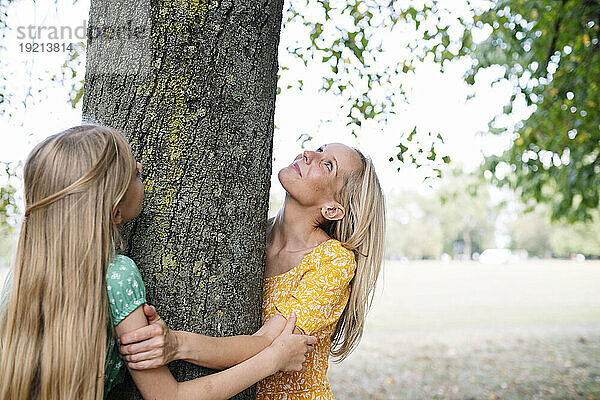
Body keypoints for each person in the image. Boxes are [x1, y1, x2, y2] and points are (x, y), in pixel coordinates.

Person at [0, 125, 317, 400]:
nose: (141, 165)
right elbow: (169, 396)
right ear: (115, 213)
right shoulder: (117, 276)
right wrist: (274, 359)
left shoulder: (21, 277)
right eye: (135, 173)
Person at [119, 143, 386, 399]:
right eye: (318, 149)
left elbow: (266, 342)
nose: (307, 154)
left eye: (327, 164)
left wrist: (176, 345)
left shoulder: (332, 262)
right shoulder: (249, 235)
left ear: (333, 209)